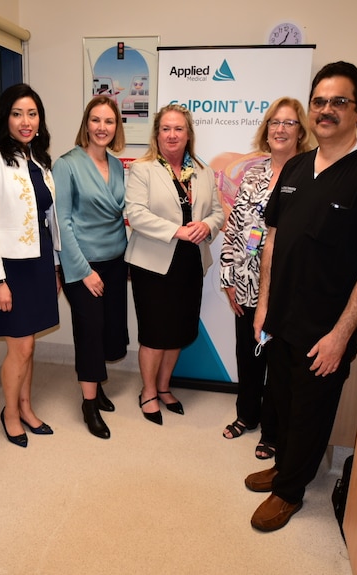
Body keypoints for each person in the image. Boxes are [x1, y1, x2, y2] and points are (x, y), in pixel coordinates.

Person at [246, 62, 357, 531]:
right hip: (282, 318)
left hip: (325, 326)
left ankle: (290, 492)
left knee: (312, 411)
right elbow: (272, 239)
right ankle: (284, 469)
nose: (326, 110)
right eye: (319, 101)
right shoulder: (296, 165)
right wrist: (263, 306)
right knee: (283, 402)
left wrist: (341, 334)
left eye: (339, 102)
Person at [219, 97, 313, 460]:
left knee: (279, 363)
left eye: (289, 123)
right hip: (245, 281)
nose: (280, 129)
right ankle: (247, 414)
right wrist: (228, 277)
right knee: (249, 354)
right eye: (275, 122)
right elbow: (236, 228)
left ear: (301, 131)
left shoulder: (307, 174)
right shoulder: (254, 173)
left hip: (285, 288)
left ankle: (272, 431)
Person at [0, 83, 61, 449]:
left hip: (38, 262)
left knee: (30, 346)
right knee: (19, 348)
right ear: (4, 117)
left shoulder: (38, 159)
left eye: (32, 114)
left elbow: (47, 219)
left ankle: (26, 406)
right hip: (10, 268)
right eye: (18, 113)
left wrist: (54, 267)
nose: (26, 121)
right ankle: (9, 413)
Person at [125, 104, 225, 425]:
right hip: (153, 264)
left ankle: (165, 387)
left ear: (188, 134)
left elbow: (219, 213)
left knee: (178, 331)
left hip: (190, 263)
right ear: (157, 134)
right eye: (166, 129)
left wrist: (207, 226)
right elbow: (137, 214)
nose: (172, 134)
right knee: (155, 334)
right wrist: (177, 230)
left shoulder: (203, 171)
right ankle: (148, 392)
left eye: (178, 129)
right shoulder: (143, 169)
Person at [53, 96, 129, 440]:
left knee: (108, 330)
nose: (102, 127)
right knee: (89, 330)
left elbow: (120, 216)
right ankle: (88, 404)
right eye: (96, 120)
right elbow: (62, 223)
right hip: (81, 264)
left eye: (109, 122)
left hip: (115, 261)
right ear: (86, 124)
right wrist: (85, 271)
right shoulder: (67, 165)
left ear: (116, 127)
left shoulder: (117, 165)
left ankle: (96, 388)